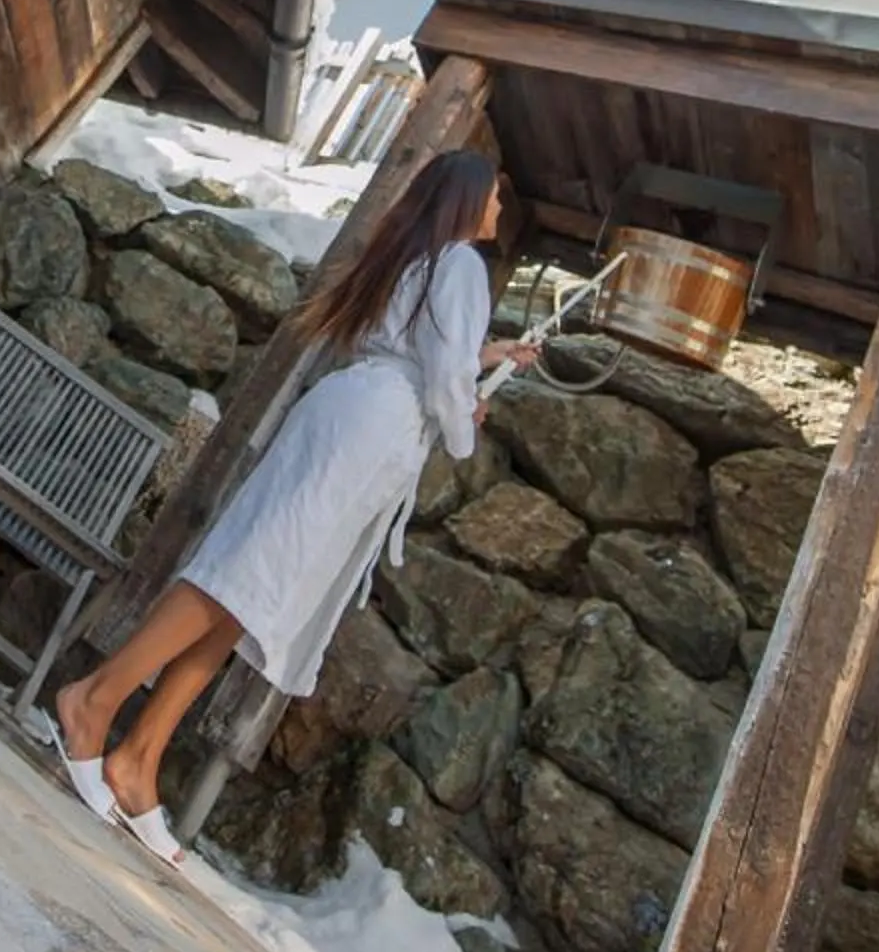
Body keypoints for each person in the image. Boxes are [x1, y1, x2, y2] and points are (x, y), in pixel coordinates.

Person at [47, 149, 536, 864]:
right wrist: (466, 416)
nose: (498, 209)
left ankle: (138, 760)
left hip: (352, 419)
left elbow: (425, 350)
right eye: (494, 195)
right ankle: (93, 699)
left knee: (254, 595)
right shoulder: (461, 264)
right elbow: (444, 381)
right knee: (242, 576)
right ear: (467, 200)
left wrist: (479, 362)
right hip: (367, 435)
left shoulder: (419, 258)